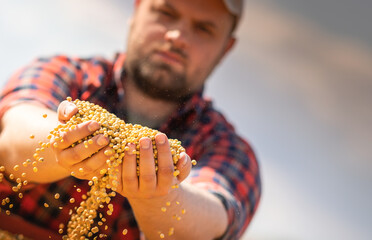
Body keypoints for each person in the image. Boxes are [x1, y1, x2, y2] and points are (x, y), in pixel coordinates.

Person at [0, 0, 261, 239]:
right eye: (166, 13)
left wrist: (160, 196)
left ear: (225, 48)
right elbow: (12, 132)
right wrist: (66, 141)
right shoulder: (69, 75)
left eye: (203, 29)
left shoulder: (227, 149)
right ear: (137, 10)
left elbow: (214, 219)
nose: (177, 36)